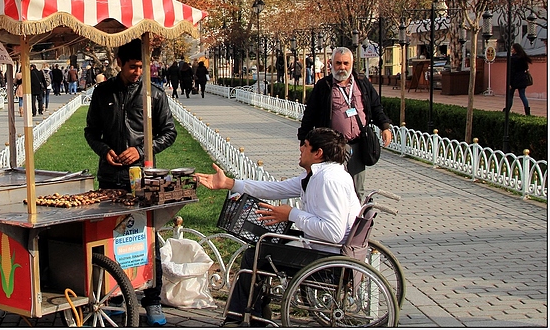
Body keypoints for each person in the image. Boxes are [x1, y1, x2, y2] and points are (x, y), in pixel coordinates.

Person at [195, 127, 361, 324]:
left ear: (318, 153)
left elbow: (333, 232)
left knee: (255, 255)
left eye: (305, 146)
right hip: (320, 248)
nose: (300, 149)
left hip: (328, 258)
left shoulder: (328, 180)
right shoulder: (317, 175)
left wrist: (291, 214)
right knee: (262, 248)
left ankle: (243, 317)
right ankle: (252, 315)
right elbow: (276, 189)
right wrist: (230, 183)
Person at [84, 38, 177, 326]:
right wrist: (105, 151)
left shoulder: (154, 94)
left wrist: (141, 150)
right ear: (119, 64)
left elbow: (169, 133)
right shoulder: (102, 92)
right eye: (133, 67)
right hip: (110, 177)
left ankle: (152, 300)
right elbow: (91, 132)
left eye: (142, 67)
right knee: (108, 238)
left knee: (147, 237)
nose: (138, 72)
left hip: (143, 177)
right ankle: (110, 297)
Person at [298, 47, 393, 198]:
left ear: (352, 64)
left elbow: (375, 106)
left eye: (346, 63)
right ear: (331, 64)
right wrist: (304, 141)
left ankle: (355, 220)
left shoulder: (362, 84)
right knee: (332, 187)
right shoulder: (324, 86)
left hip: (358, 144)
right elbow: (309, 115)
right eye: (338, 63)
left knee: (357, 189)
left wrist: (385, 126)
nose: (342, 67)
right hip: (333, 147)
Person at [507, 43, 533, 116]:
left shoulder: (513, 59)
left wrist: (510, 83)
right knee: (522, 95)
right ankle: (527, 111)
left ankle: (507, 110)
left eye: (512, 49)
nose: (511, 50)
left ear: (515, 50)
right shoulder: (523, 58)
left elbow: (511, 72)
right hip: (522, 80)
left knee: (510, 95)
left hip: (515, 80)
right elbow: (526, 69)